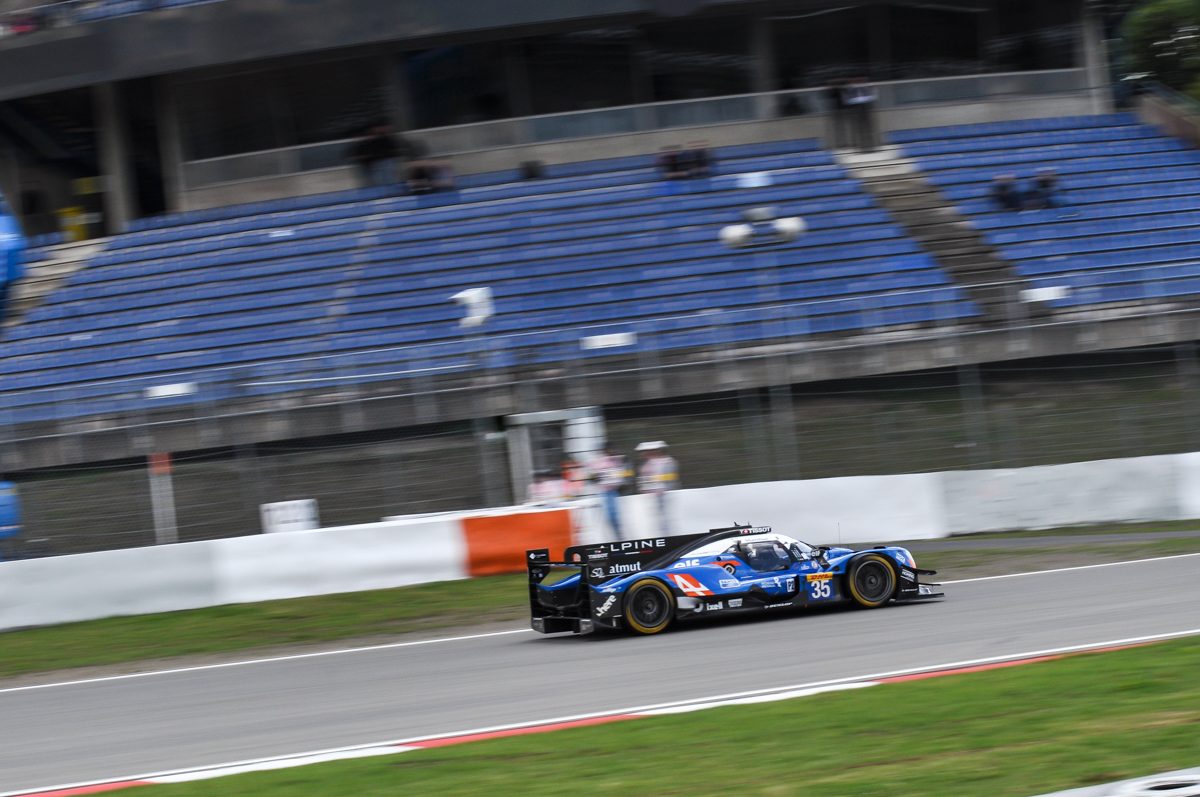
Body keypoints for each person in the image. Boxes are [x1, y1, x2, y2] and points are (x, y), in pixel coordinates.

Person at [348, 123, 413, 188]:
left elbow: (391, 148)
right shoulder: (371, 141)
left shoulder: (386, 138)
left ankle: (390, 188)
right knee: (377, 179)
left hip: (384, 161)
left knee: (387, 177)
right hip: (374, 163)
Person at [637, 441, 679, 535]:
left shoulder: (668, 461)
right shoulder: (648, 463)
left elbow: (671, 477)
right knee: (657, 519)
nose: (645, 454)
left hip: (664, 493)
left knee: (664, 518)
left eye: (652, 451)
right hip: (653, 494)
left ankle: (667, 535)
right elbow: (643, 479)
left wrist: (652, 479)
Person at [591, 446, 630, 536]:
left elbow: (622, 473)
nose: (611, 452)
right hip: (604, 492)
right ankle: (617, 533)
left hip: (614, 491)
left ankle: (618, 533)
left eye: (612, 450)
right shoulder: (598, 462)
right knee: (610, 516)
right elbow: (593, 476)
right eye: (608, 451)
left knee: (614, 515)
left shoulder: (617, 460)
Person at [842, 77, 878, 151]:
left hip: (866, 108)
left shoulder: (866, 87)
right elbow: (846, 99)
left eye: (860, 80)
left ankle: (870, 145)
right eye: (856, 80)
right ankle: (862, 146)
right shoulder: (850, 89)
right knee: (859, 129)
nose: (857, 82)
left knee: (869, 128)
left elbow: (873, 96)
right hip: (856, 109)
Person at [825, 78, 850, 149]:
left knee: (841, 128)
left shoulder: (841, 90)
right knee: (837, 128)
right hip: (835, 110)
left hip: (840, 109)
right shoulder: (833, 91)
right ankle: (839, 144)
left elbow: (846, 94)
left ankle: (843, 143)